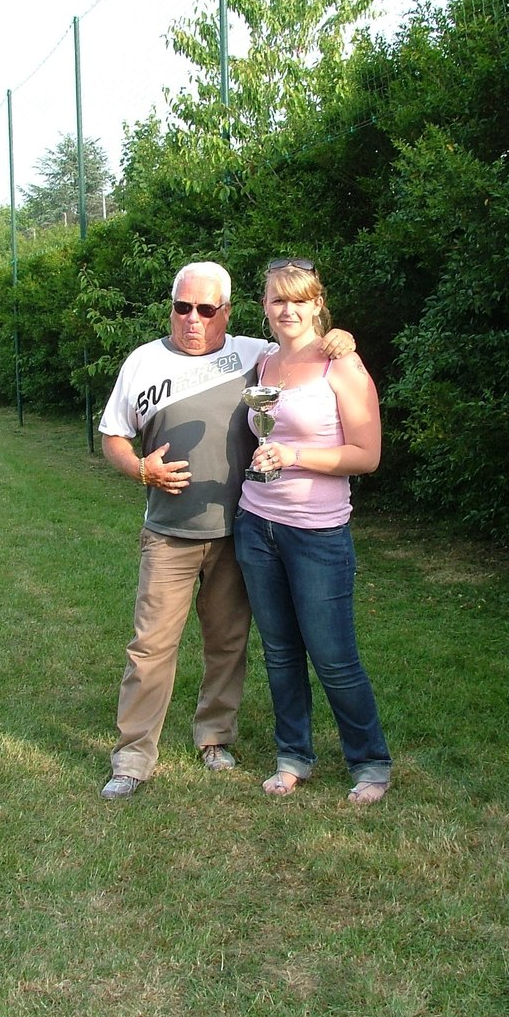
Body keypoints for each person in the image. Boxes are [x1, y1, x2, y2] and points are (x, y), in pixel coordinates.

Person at [98, 260, 354, 798]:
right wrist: (140, 469)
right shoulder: (142, 362)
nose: (193, 319)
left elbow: (305, 346)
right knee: (150, 646)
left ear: (227, 313)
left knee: (228, 642)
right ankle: (132, 757)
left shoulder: (252, 356)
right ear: (171, 307)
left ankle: (215, 736)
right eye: (182, 307)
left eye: (206, 309)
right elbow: (113, 436)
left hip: (238, 531)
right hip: (168, 533)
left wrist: (340, 338)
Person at [233, 258, 392, 803]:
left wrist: (296, 454)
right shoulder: (264, 363)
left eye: (299, 299)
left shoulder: (341, 364)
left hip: (317, 534)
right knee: (279, 651)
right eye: (278, 299)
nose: (288, 310)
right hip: (256, 524)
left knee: (332, 656)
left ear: (318, 303)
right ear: (265, 308)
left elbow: (367, 455)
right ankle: (292, 756)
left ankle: (370, 763)